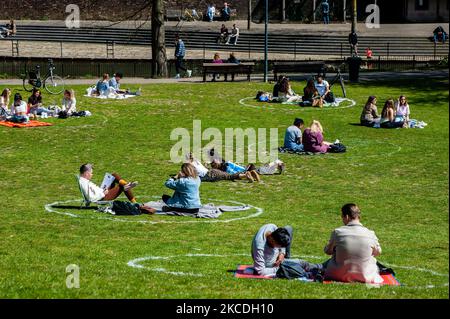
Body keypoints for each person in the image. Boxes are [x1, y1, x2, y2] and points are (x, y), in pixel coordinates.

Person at [323, 203, 383, 284]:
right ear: (358, 216)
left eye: (342, 217)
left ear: (347, 216)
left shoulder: (338, 232)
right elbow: (378, 252)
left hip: (337, 275)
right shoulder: (370, 234)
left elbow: (327, 251)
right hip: (365, 277)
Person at [252, 224, 323, 277]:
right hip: (271, 265)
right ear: (273, 241)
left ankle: (321, 267)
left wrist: (282, 254)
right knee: (299, 265)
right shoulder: (259, 246)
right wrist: (278, 268)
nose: (280, 247)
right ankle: (318, 270)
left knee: (288, 228)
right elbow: (260, 271)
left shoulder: (272, 227)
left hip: (278, 259)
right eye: (279, 246)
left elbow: (281, 247)